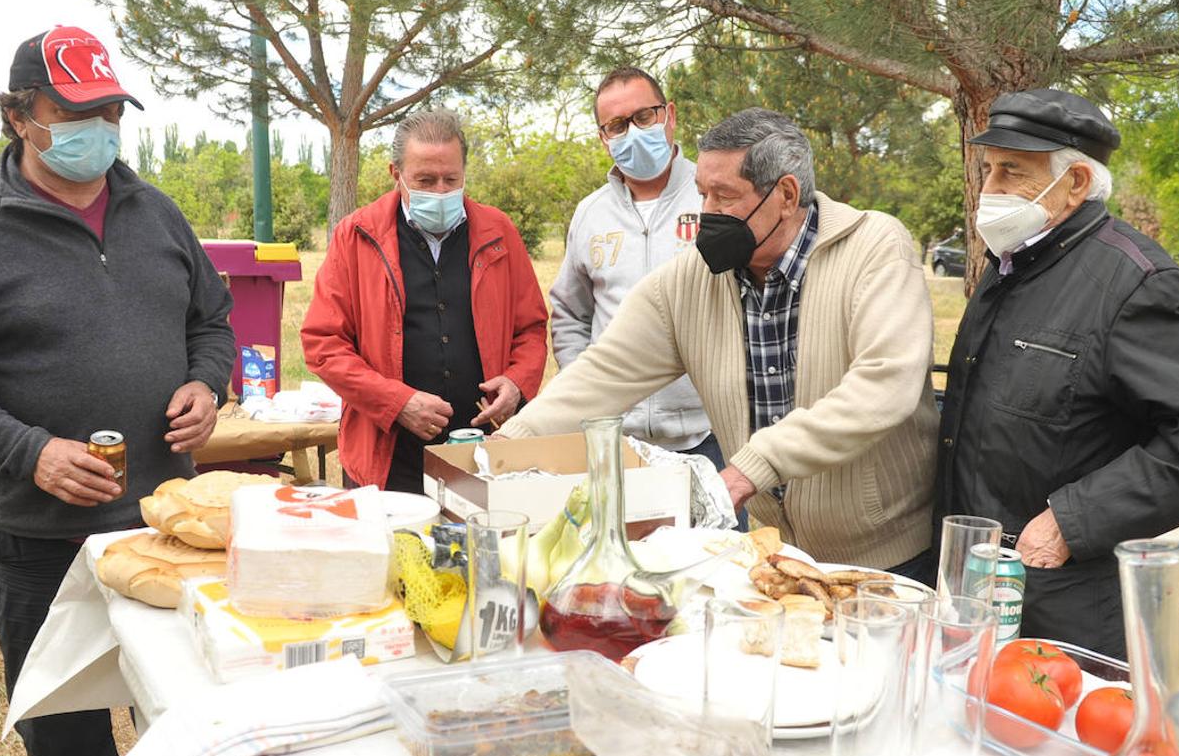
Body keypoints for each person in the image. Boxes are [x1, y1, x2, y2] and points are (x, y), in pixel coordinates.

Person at [0, 25, 234, 756]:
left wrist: (204, 382)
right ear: (19, 117)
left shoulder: (156, 211)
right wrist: (28, 451)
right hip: (42, 540)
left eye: (111, 109)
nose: (99, 128)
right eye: (74, 111)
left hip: (163, 528)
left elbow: (212, 321)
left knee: (184, 726)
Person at [498, 108, 940, 573]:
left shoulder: (875, 249)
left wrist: (754, 465)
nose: (706, 213)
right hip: (775, 553)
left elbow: (885, 385)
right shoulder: (688, 280)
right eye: (702, 194)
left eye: (724, 196)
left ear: (786, 195)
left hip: (884, 559)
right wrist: (507, 446)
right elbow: (603, 372)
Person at [936, 88, 1179, 658]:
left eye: (1012, 171)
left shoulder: (1134, 283)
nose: (990, 191)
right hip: (977, 588)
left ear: (1076, 183)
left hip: (1062, 606)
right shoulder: (1010, 264)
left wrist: (1069, 519)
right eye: (988, 170)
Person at [301, 109, 548, 493]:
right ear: (395, 173)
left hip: (484, 452)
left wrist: (517, 383)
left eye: (451, 180)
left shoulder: (499, 232)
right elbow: (323, 344)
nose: (439, 192)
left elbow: (530, 328)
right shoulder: (357, 236)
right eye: (425, 180)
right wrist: (396, 402)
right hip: (387, 458)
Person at [551, 68, 721, 464]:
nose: (633, 132)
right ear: (603, 137)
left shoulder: (714, 198)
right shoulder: (590, 214)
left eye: (643, 117)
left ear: (670, 116)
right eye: (616, 125)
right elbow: (570, 314)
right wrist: (591, 393)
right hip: (613, 440)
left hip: (707, 437)